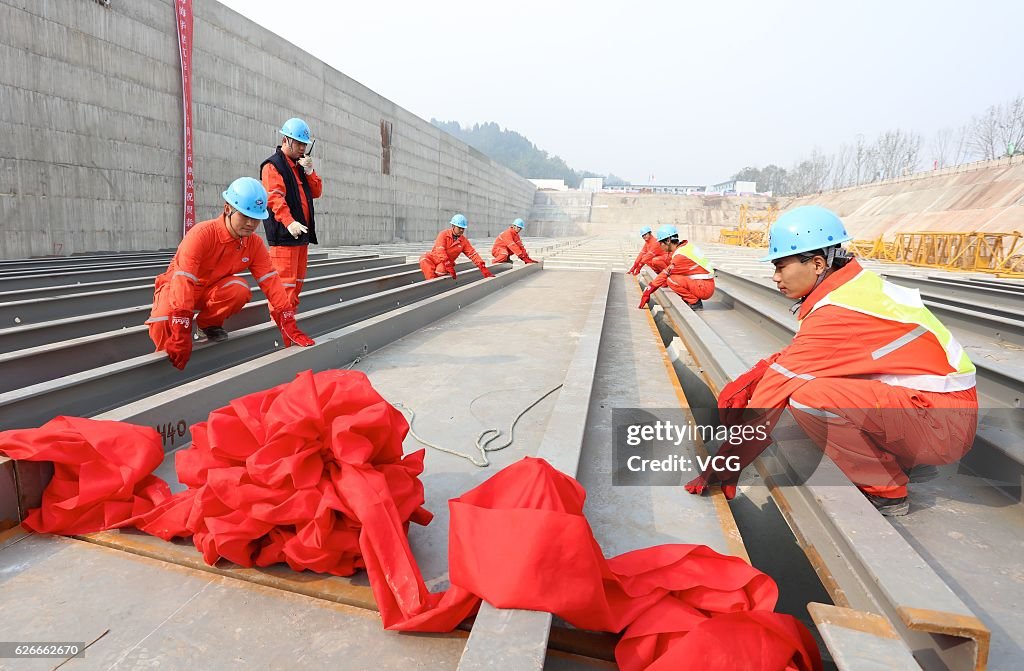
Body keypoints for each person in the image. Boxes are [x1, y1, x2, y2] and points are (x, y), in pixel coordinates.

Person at [684, 206, 978, 516]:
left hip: (942, 426)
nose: (775, 277)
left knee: (809, 397)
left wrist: (724, 466)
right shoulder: (852, 289)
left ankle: (886, 488)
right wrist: (758, 374)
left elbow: (773, 395)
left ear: (818, 263)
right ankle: (903, 459)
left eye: (781, 266)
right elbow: (812, 358)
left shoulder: (838, 313)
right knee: (821, 382)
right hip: (940, 411)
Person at [146, 177, 315, 370]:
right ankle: (164, 365)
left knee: (239, 289)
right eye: (245, 216)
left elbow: (271, 280)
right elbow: (184, 279)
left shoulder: (253, 244)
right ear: (228, 209)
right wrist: (181, 328)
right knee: (162, 321)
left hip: (210, 291)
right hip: (179, 288)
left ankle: (206, 325)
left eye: (256, 219)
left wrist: (287, 318)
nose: (251, 224)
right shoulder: (202, 235)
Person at [260, 117, 323, 306]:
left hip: (300, 237)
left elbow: (316, 192)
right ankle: (280, 331)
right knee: (283, 289)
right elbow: (275, 198)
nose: (303, 148)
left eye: (305, 144)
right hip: (285, 238)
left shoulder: (300, 166)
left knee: (295, 288)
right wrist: (289, 222)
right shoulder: (274, 166)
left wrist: (310, 172)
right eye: (299, 143)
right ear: (285, 140)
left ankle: (289, 326)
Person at [637, 224, 716, 310]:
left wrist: (648, 291)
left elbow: (665, 274)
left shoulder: (680, 256)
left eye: (661, 243)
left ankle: (694, 302)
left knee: (670, 279)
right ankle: (691, 298)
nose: (660, 246)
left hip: (704, 288)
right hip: (704, 283)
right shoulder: (684, 247)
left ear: (668, 241)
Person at [419, 214, 495, 280]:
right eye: (459, 228)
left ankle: (436, 284)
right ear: (453, 226)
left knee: (440, 270)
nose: (461, 230)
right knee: (424, 259)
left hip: (446, 262)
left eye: (463, 228)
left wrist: (482, 267)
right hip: (435, 258)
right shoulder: (443, 234)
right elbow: (440, 250)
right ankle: (431, 283)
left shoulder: (463, 241)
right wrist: (447, 263)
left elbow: (472, 254)